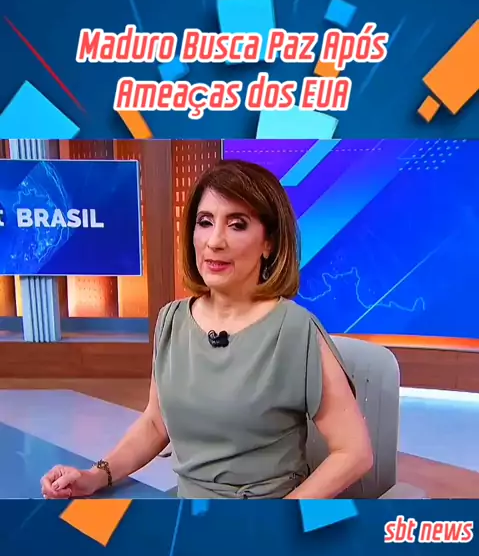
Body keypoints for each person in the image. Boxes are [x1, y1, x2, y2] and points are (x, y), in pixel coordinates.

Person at [41, 159, 373, 500]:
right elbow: (156, 422)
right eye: (205, 222)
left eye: (237, 225)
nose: (215, 241)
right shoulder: (171, 321)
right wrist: (95, 475)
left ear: (269, 243)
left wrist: (280, 520)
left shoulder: (296, 330)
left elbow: (354, 453)